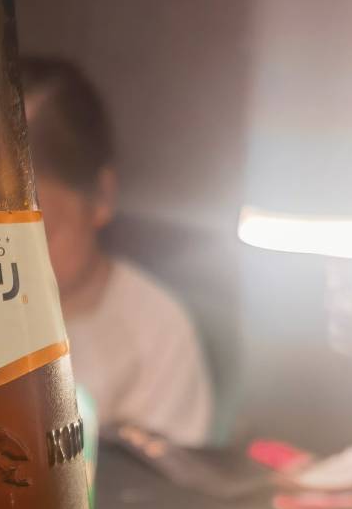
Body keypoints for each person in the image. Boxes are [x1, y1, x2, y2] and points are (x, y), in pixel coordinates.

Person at [22, 56, 213, 445]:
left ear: (101, 197)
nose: (9, 265)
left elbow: (163, 471)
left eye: (36, 236)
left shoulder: (155, 330)